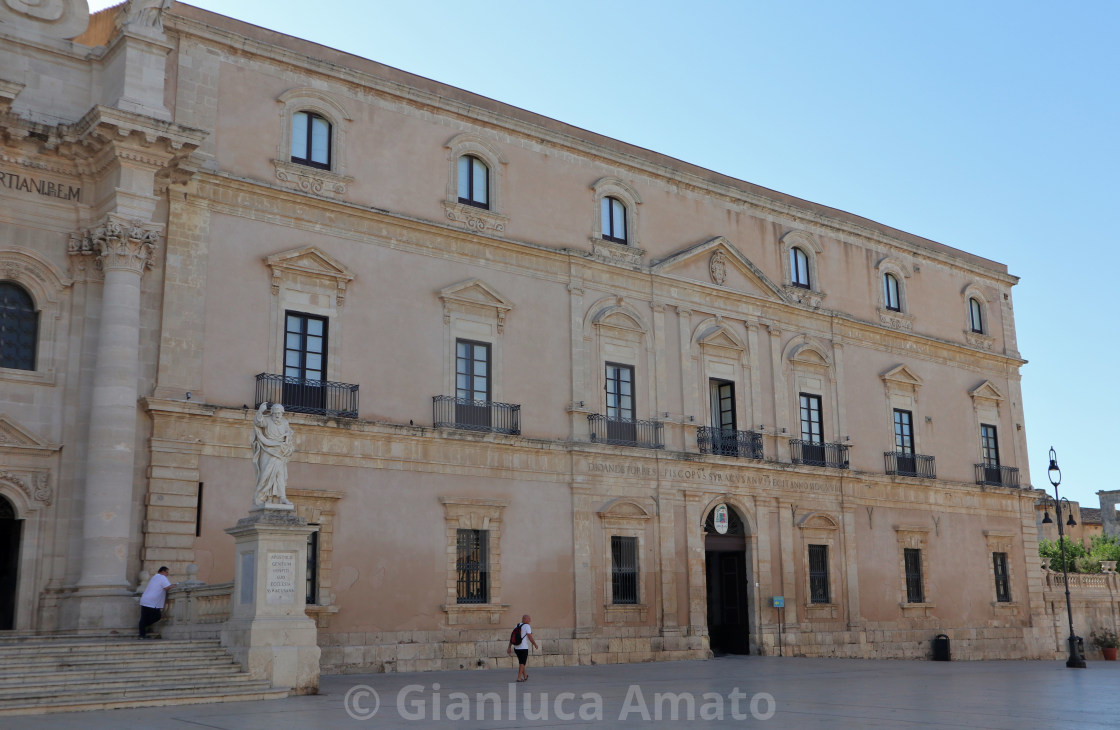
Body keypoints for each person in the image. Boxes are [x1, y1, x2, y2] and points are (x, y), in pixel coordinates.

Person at [252, 402, 295, 507]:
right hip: (268, 449)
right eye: (275, 413)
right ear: (271, 413)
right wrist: (260, 411)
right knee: (266, 474)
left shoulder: (285, 422)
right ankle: (264, 497)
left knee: (280, 474)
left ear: (282, 413)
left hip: (280, 451)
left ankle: (282, 497)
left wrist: (289, 435)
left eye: (279, 413)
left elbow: (289, 433)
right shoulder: (267, 420)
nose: (277, 415)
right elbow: (258, 422)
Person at [138, 566, 176, 639]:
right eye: (166, 572)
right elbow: (167, 587)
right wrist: (175, 585)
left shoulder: (154, 577)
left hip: (145, 599)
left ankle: (142, 634)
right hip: (152, 602)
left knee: (143, 618)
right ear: (162, 571)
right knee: (157, 617)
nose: (167, 574)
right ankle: (143, 630)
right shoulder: (162, 577)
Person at [506, 614, 538, 681]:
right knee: (522, 663)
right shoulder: (527, 626)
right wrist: (535, 644)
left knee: (521, 663)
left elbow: (512, 637)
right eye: (529, 619)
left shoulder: (517, 625)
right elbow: (529, 636)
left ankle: (525, 676)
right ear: (525, 619)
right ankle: (519, 678)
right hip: (523, 648)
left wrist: (509, 647)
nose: (530, 620)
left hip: (516, 648)